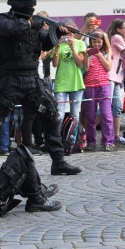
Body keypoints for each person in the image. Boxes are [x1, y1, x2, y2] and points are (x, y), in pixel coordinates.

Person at [0, 0, 81, 178]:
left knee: (52, 115)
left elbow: (45, 44)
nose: (32, 9)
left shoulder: (33, 24)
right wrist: (32, 24)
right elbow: (10, 30)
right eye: (29, 6)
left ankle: (58, 161)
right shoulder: (1, 20)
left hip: (32, 79)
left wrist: (56, 33)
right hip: (10, 79)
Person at [51, 20, 86, 152]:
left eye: (72, 31)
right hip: (61, 82)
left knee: (75, 114)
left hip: (76, 82)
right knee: (59, 114)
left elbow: (79, 63)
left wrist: (72, 47)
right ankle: (58, 142)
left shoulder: (80, 43)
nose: (69, 34)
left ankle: (72, 142)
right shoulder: (58, 44)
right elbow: (55, 64)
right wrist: (57, 47)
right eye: (67, 32)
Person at [82, 31, 114, 151]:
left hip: (104, 85)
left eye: (99, 41)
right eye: (94, 41)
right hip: (90, 86)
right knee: (91, 115)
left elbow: (108, 67)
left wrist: (99, 54)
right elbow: (86, 68)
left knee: (106, 115)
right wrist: (87, 56)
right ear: (90, 41)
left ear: (103, 42)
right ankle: (91, 141)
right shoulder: (88, 53)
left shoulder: (106, 52)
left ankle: (108, 141)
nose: (96, 44)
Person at [107, 19, 125, 146]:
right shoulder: (117, 37)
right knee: (107, 107)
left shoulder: (119, 37)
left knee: (117, 107)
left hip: (117, 77)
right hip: (111, 75)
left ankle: (116, 135)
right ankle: (107, 136)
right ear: (118, 29)